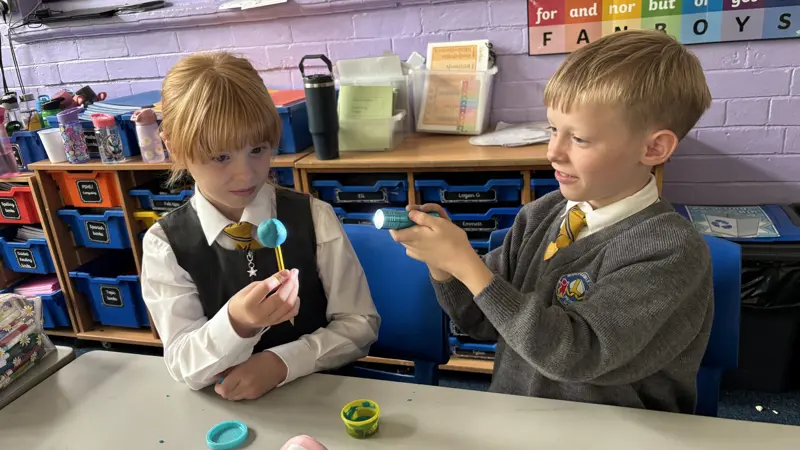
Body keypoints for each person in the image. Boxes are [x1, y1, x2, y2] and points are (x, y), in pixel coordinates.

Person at [391, 30, 714, 414]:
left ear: (653, 148)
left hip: (616, 432)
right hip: (517, 419)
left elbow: (578, 355)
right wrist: (443, 264)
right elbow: (481, 319)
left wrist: (467, 265)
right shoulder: (542, 215)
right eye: (552, 130)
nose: (553, 152)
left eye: (578, 138)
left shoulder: (670, 251)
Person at [141, 52, 380, 401]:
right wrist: (235, 323)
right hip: (227, 411)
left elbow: (360, 324)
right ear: (173, 146)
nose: (247, 174)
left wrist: (283, 362)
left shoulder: (315, 217)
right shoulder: (165, 245)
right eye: (221, 157)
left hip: (325, 398)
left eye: (258, 149)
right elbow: (182, 363)